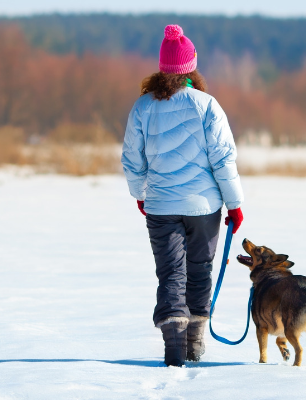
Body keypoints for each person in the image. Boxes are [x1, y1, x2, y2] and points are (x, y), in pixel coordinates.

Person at [121, 24, 244, 367]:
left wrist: (140, 194)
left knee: (171, 273)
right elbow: (223, 159)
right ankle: (195, 341)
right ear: (191, 67)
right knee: (200, 269)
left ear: (161, 69)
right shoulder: (207, 105)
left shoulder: (143, 107)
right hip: (204, 207)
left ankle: (174, 342)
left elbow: (132, 159)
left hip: (161, 206)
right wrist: (234, 204)